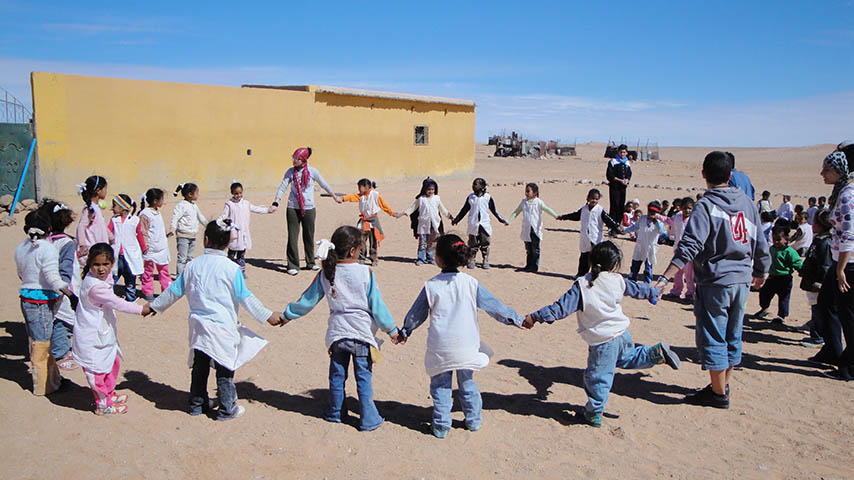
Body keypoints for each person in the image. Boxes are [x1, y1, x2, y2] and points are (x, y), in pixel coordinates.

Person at [522, 241, 681, 428]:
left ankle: (593, 413)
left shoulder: (582, 285)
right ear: (614, 265)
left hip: (603, 341)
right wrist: (654, 292)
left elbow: (559, 309)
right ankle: (655, 354)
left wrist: (535, 317)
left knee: (597, 377)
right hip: (622, 333)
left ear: (591, 260)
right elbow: (639, 289)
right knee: (627, 358)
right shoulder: (618, 280)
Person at [655, 151, 770, 408]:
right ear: (730, 175)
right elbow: (760, 241)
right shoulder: (748, 204)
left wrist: (665, 277)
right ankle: (721, 385)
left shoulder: (706, 206)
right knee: (732, 334)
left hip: (716, 281)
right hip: (741, 280)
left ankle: (718, 395)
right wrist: (762, 270)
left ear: (704, 174)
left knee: (714, 335)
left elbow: (689, 246)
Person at [150, 219, 280, 420]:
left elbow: (174, 291)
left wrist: (154, 306)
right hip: (223, 328)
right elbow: (245, 297)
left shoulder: (192, 265)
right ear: (228, 243)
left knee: (199, 368)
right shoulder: (232, 268)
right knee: (225, 369)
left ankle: (197, 404)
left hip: (199, 326)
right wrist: (268, 316)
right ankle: (227, 409)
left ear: (205, 239)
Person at [399, 234, 524, 438]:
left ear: (438, 259)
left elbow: (416, 314)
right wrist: (516, 319)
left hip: (442, 347)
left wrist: (405, 331)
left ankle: (441, 426)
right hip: (467, 346)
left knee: (440, 386)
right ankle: (473, 421)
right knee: (467, 383)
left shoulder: (431, 285)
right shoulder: (470, 283)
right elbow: (495, 307)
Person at [281, 226, 401, 431]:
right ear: (353, 250)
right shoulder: (365, 273)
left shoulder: (327, 272)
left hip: (338, 334)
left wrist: (287, 315)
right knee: (363, 378)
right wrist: (392, 330)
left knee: (337, 376)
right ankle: (369, 418)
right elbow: (377, 306)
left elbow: (307, 301)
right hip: (362, 335)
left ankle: (336, 412)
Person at [73, 243, 152, 414]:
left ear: (112, 263)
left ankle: (109, 394)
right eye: (96, 265)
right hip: (92, 337)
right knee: (96, 372)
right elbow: (117, 302)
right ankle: (103, 405)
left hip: (105, 333)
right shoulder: (94, 286)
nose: (101, 269)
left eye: (105, 264)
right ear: (90, 264)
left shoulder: (104, 279)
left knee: (112, 363)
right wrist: (141, 309)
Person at [15, 209, 78, 395]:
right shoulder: (47, 249)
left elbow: (21, 274)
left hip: (26, 299)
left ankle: (53, 379)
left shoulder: (21, 248)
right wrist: (70, 294)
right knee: (42, 345)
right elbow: (54, 278)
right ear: (48, 227)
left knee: (35, 341)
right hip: (41, 302)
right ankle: (43, 386)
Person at [812, 151, 854, 380]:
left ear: (838, 171)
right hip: (842, 260)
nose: (822, 173)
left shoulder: (847, 195)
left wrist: (840, 269)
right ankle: (832, 351)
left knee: (847, 313)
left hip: (848, 263)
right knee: (826, 303)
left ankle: (849, 367)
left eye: (826, 169)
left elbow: (849, 234)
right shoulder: (840, 192)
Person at [270, 147, 342, 276]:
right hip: (293, 207)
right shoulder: (290, 172)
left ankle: (310, 262)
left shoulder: (312, 171)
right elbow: (282, 187)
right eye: (293, 157)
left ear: (303, 159)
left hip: (309, 207)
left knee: (309, 236)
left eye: (296, 158)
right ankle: (292, 265)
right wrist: (276, 202)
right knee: (292, 236)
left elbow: (323, 183)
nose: (293, 160)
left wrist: (334, 196)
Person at [41, 200, 81, 370]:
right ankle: (60, 353)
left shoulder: (47, 241)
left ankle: (61, 349)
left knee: (58, 318)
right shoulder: (66, 243)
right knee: (63, 321)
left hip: (51, 286)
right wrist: (66, 291)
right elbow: (65, 268)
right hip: (65, 289)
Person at [556, 188, 620, 277]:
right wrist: (563, 217)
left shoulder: (600, 210)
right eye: (592, 198)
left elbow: (608, 220)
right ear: (588, 198)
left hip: (595, 238)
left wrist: (616, 226)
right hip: (585, 238)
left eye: (596, 199)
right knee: (584, 257)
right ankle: (581, 274)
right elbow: (575, 216)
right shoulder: (584, 209)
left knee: (596, 258)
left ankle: (596, 275)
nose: (594, 201)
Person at [340, 178, 400, 266]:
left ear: (366, 186)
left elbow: (384, 206)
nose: (359, 189)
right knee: (361, 240)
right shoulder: (361, 196)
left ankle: (373, 258)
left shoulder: (375, 195)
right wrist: (342, 198)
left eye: (360, 187)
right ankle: (361, 257)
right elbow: (351, 197)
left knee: (373, 240)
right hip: (364, 220)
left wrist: (392, 213)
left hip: (373, 220)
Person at [451, 178, 508, 270]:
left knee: (485, 242)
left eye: (476, 184)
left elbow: (494, 210)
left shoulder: (488, 198)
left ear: (482, 186)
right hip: (473, 224)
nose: (474, 186)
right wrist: (457, 219)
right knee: (473, 243)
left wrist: (500, 219)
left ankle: (485, 259)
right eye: (473, 184)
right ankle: (472, 259)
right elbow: (464, 210)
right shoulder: (471, 198)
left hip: (484, 224)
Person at [218, 181, 272, 277]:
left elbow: (256, 208)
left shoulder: (246, 203)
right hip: (234, 234)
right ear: (232, 193)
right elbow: (222, 217)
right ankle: (228, 271)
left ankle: (241, 272)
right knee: (231, 254)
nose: (239, 195)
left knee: (241, 254)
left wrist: (268, 210)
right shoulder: (229, 204)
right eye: (236, 193)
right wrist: (225, 223)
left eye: (240, 193)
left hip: (243, 234)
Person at [754, 227, 803, 325]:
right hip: (772, 277)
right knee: (764, 294)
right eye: (774, 239)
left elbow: (798, 263)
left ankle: (781, 316)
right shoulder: (771, 249)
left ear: (786, 239)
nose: (776, 242)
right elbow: (765, 260)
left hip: (784, 279)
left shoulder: (790, 251)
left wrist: (801, 271)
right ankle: (764, 308)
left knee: (784, 298)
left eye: (779, 239)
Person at [797, 211, 832, 348]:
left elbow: (825, 265)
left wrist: (820, 282)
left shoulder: (824, 243)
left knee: (818, 309)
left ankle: (817, 336)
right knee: (815, 307)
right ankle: (814, 329)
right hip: (811, 280)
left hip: (816, 283)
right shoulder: (819, 240)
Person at [507, 183, 559, 273]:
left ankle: (534, 266)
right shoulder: (523, 202)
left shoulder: (538, 202)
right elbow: (516, 212)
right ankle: (528, 265)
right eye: (525, 191)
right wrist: (509, 221)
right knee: (529, 249)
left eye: (528, 191)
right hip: (526, 229)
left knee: (535, 249)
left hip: (535, 229)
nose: (526, 193)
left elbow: (547, 209)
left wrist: (556, 216)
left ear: (535, 193)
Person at [401, 178, 453, 266]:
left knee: (432, 242)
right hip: (423, 225)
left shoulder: (437, 199)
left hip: (434, 224)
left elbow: (443, 209)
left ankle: (430, 257)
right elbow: (412, 208)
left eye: (432, 189)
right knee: (423, 242)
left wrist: (449, 216)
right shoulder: (421, 199)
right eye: (429, 189)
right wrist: (403, 213)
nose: (431, 191)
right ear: (425, 189)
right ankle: (421, 258)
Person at [107, 194, 144, 302]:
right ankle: (109, 296)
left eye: (115, 206)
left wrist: (144, 248)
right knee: (113, 276)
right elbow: (108, 231)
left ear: (123, 207)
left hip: (130, 254)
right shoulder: (114, 220)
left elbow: (139, 235)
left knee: (130, 277)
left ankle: (130, 297)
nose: (112, 208)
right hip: (116, 254)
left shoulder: (135, 220)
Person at [661, 197, 696, 303]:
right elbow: (668, 221)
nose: (687, 211)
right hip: (678, 248)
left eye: (690, 208)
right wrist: (657, 215)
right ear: (680, 208)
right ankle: (676, 291)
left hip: (689, 251)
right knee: (677, 273)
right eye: (685, 208)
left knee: (689, 274)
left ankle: (690, 293)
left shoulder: (694, 219)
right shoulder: (677, 217)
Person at [139, 188, 172, 301]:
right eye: (162, 199)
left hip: (161, 247)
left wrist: (165, 235)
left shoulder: (157, 212)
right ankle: (148, 292)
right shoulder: (145, 214)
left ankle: (167, 292)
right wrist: (145, 247)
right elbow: (143, 231)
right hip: (151, 249)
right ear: (155, 201)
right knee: (148, 272)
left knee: (164, 270)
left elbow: (158, 228)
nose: (163, 201)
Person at [622, 200, 667, 283]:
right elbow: (634, 227)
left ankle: (647, 283)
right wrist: (624, 230)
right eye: (650, 211)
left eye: (653, 212)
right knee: (635, 264)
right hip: (640, 246)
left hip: (650, 248)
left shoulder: (659, 224)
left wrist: (657, 220)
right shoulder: (642, 218)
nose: (651, 214)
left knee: (648, 267)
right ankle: (632, 280)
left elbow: (663, 232)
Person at [170, 182, 207, 276]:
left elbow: (200, 217)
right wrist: (172, 229)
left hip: (192, 235)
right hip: (183, 236)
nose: (198, 195)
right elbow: (175, 217)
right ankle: (180, 277)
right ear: (190, 194)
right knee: (182, 258)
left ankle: (187, 276)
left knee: (190, 258)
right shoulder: (181, 205)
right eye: (196, 193)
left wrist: (209, 225)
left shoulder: (194, 206)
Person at [75, 175, 110, 267]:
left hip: (100, 247)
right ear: (98, 190)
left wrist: (111, 236)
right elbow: (81, 226)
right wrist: (82, 245)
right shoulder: (89, 209)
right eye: (105, 189)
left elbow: (101, 225)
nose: (106, 192)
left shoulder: (96, 207)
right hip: (93, 248)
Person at [606, 144, 632, 232]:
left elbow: (629, 174)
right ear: (618, 152)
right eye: (621, 152)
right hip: (615, 187)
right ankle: (612, 227)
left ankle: (618, 226)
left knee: (621, 206)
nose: (622, 154)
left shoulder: (627, 163)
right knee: (614, 206)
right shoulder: (613, 161)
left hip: (623, 188)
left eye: (624, 152)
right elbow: (610, 175)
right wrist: (620, 180)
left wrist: (627, 180)